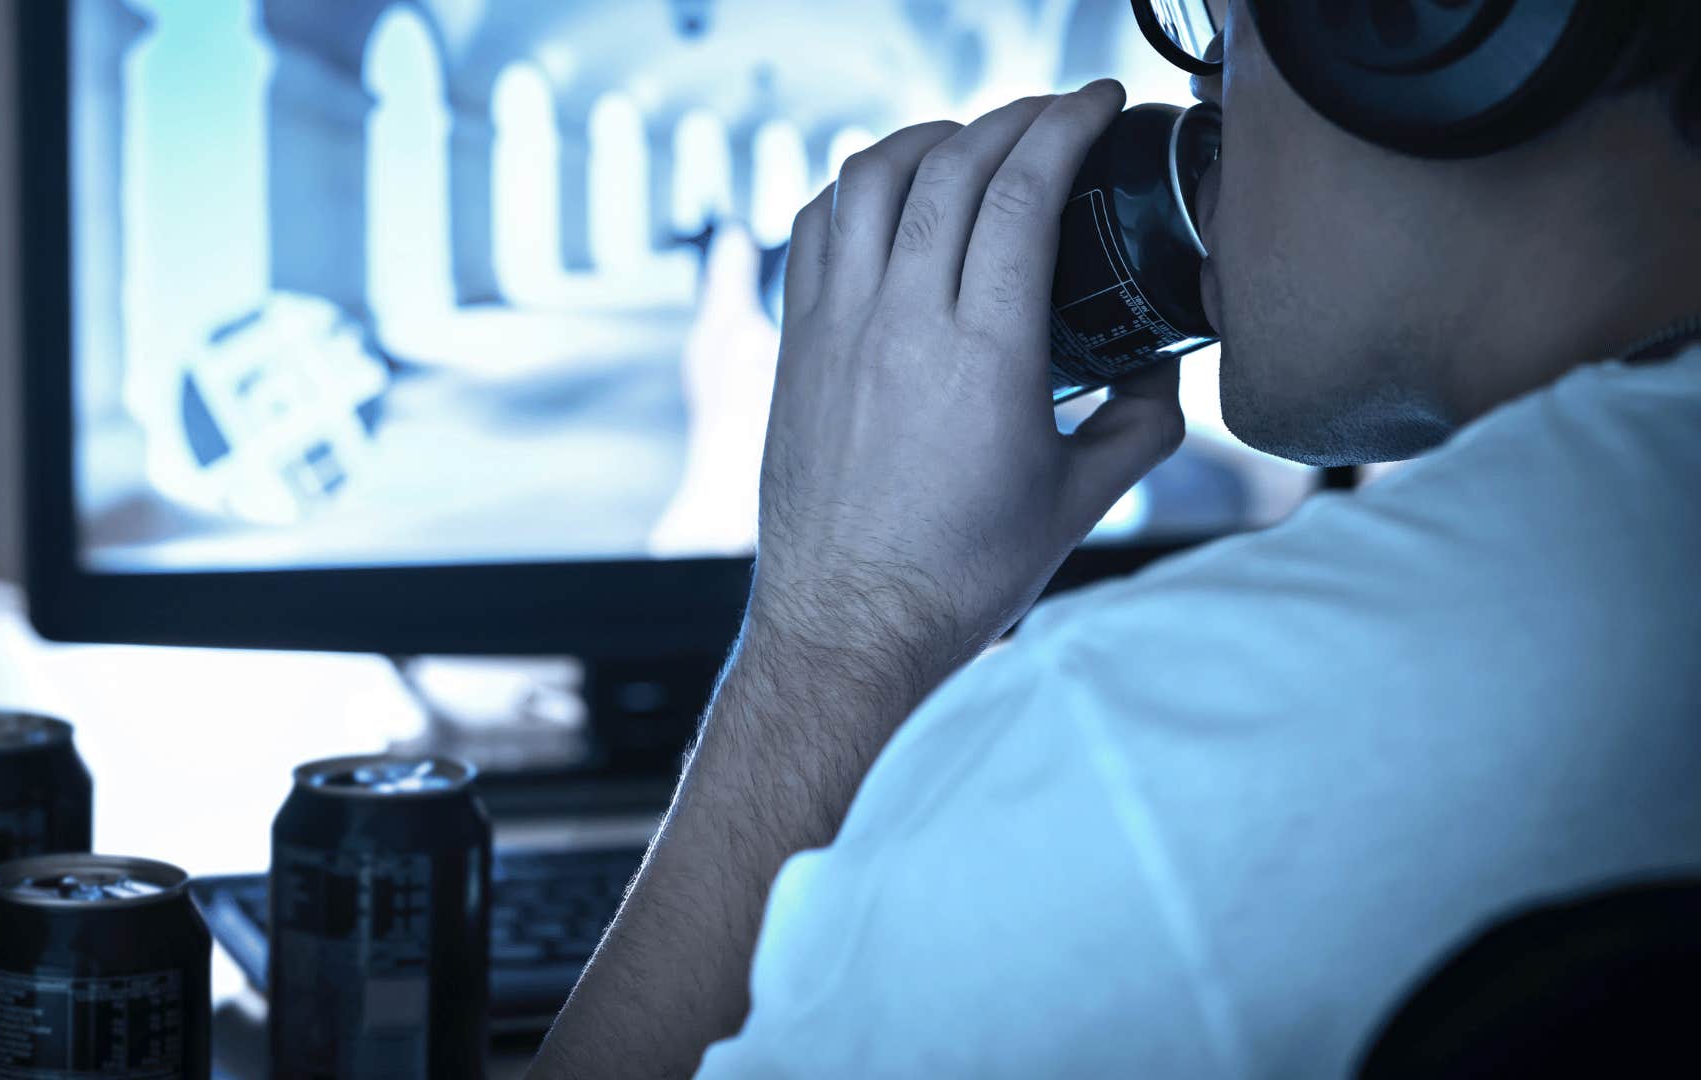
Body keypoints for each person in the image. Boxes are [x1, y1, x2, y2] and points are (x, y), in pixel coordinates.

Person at [529, 2, 1701, 1075]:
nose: (1199, 101)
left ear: (1429, 26)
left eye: (1220, 27)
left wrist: (838, 635)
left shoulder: (1149, 750)